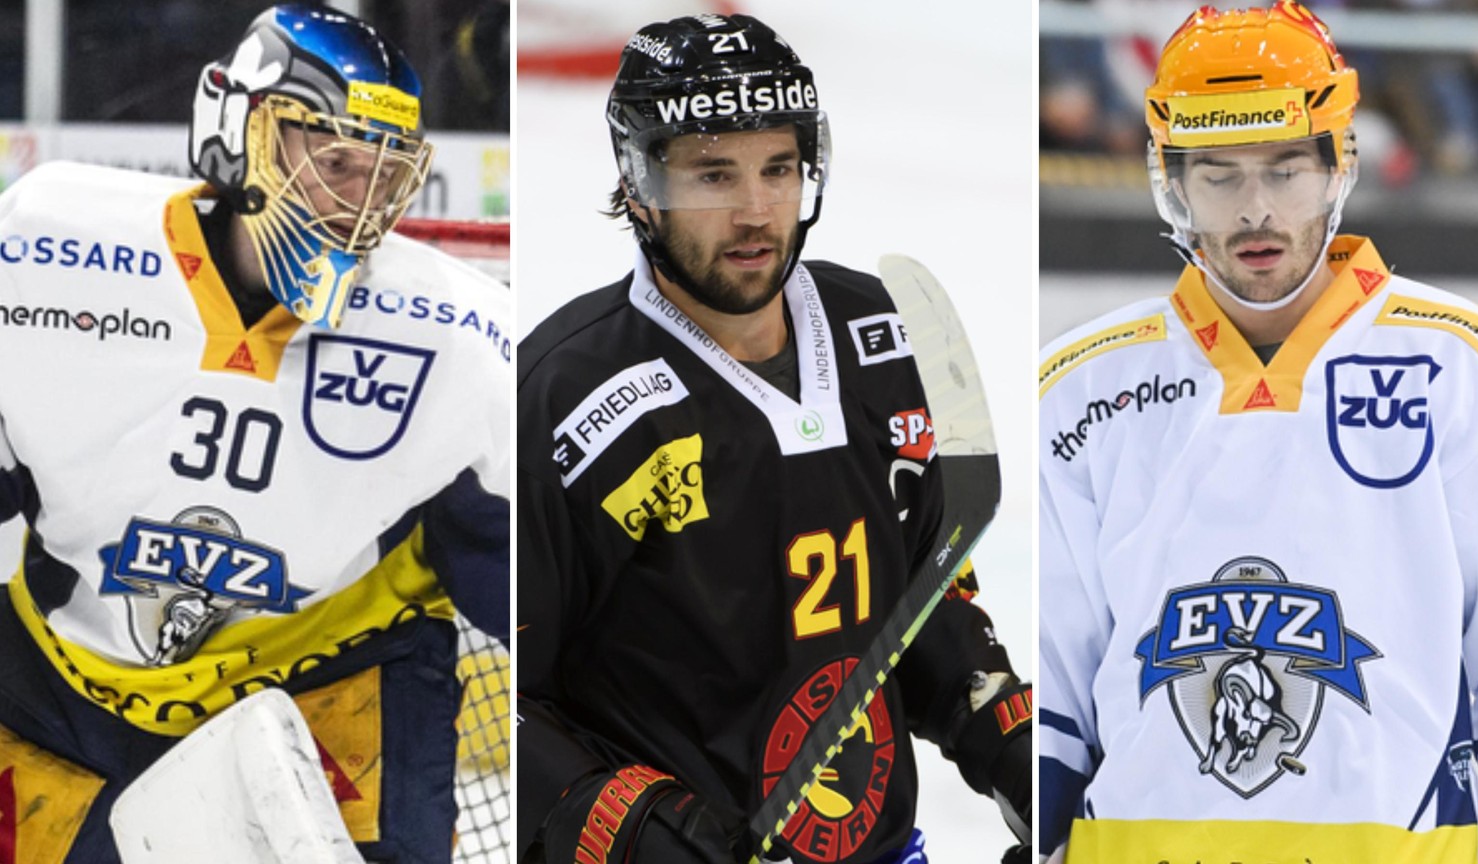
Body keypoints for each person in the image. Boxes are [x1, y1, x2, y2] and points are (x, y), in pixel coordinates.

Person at [517, 13, 1030, 864]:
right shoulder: (571, 396)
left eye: (779, 168)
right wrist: (634, 832)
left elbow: (921, 596)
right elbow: (503, 691)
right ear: (639, 183)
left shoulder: (885, 330)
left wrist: (1005, 738)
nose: (757, 212)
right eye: (713, 173)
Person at [0, 5, 509, 862]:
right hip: (56, 688)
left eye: (383, 176)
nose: (358, 204)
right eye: (335, 162)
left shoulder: (454, 340)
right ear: (237, 129)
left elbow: (527, 576)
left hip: (324, 678)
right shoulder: (46, 250)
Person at [1038, 2, 1478, 861]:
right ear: (1173, 180)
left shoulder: (1469, 371)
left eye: (1284, 170)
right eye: (1219, 175)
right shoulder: (1081, 386)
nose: (1255, 210)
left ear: (1337, 164)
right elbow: (1050, 697)